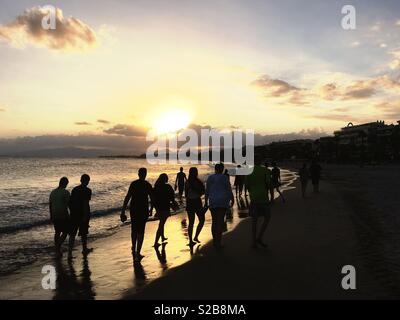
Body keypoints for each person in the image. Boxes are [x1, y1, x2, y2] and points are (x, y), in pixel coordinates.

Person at [121, 168, 154, 262]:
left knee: (134, 229)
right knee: (141, 231)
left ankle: (133, 247)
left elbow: (128, 197)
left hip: (134, 209)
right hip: (143, 209)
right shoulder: (147, 185)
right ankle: (138, 252)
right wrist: (151, 209)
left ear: (138, 174)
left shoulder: (134, 184)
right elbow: (152, 199)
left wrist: (123, 210)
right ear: (145, 174)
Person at [205, 163, 234, 250]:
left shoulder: (210, 177)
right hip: (222, 201)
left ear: (215, 169)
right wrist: (232, 199)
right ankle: (219, 242)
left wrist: (206, 201)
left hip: (213, 201)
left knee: (214, 221)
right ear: (221, 169)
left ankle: (215, 241)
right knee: (220, 221)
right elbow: (229, 189)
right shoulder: (224, 177)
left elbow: (207, 190)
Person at [246, 157, 271, 248]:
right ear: (260, 161)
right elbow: (268, 184)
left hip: (254, 198)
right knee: (267, 217)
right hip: (263, 197)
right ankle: (259, 237)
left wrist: (252, 193)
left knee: (254, 220)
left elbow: (247, 185)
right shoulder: (265, 170)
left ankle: (253, 242)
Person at [68, 174, 92, 260]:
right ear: (87, 181)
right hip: (83, 214)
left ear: (80, 180)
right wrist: (85, 216)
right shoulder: (88, 190)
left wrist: (71, 212)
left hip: (74, 214)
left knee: (72, 234)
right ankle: (84, 249)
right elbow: (85, 203)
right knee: (84, 233)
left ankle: (69, 253)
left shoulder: (74, 189)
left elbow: (70, 202)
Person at [49, 177, 70, 258]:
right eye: (66, 183)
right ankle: (57, 247)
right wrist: (70, 214)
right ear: (64, 183)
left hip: (54, 214)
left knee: (57, 232)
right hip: (63, 214)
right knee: (65, 232)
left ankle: (57, 249)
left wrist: (51, 215)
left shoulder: (53, 192)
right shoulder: (65, 192)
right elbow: (69, 204)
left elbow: (50, 205)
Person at [153, 173, 175, 247]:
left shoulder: (156, 187)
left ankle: (162, 237)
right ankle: (156, 242)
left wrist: (151, 209)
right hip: (165, 207)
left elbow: (153, 199)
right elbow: (172, 196)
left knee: (161, 223)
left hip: (158, 208)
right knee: (161, 224)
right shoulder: (167, 187)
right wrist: (174, 204)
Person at [185, 167, 206, 246]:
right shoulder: (198, 181)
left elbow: (186, 194)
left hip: (189, 202)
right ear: (196, 173)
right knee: (201, 220)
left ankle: (191, 240)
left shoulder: (187, 182)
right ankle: (195, 237)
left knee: (191, 222)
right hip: (197, 201)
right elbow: (202, 192)